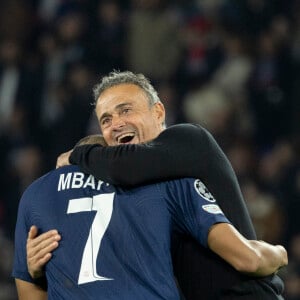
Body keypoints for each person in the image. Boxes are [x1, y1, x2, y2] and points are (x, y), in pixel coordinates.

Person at [27, 71, 286, 299]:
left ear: (158, 112)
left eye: (126, 110)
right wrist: (42, 265)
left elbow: (123, 165)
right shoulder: (136, 190)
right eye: (105, 120)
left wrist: (78, 154)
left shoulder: (191, 140)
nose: (116, 123)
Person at [13, 135, 287, 300]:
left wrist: (39, 277)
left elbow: (29, 294)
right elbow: (248, 259)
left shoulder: (35, 194)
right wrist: (280, 253)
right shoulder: (166, 183)